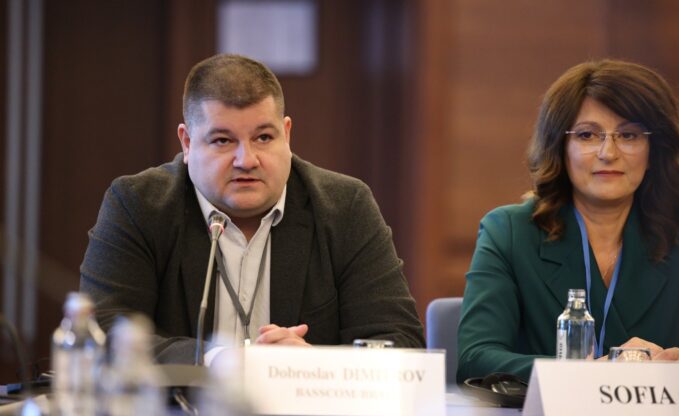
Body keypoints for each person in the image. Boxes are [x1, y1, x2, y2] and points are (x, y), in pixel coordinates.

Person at [80, 54, 425, 364]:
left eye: (263, 138)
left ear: (286, 135)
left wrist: (316, 365)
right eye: (223, 140)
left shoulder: (345, 208)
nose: (246, 160)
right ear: (187, 143)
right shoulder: (138, 205)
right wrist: (219, 360)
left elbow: (401, 343)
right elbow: (102, 333)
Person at [457, 59, 679, 396]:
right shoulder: (509, 231)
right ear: (560, 148)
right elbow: (475, 359)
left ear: (655, 150)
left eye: (629, 135)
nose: (608, 152)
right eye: (587, 135)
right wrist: (584, 375)